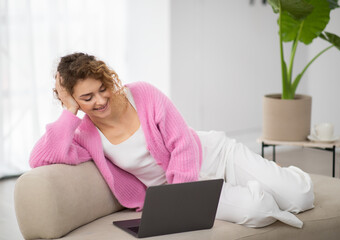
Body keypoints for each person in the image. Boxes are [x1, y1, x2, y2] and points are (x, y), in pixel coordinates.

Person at [30, 52, 314, 228]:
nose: (101, 100)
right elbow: (39, 158)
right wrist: (69, 110)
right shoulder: (84, 135)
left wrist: (181, 198)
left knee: (301, 196)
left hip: (214, 155)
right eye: (87, 98)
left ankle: (279, 178)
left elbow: (182, 143)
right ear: (74, 100)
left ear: (106, 79)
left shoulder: (142, 93)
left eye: (102, 88)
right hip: (184, 191)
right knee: (260, 210)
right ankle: (251, 187)